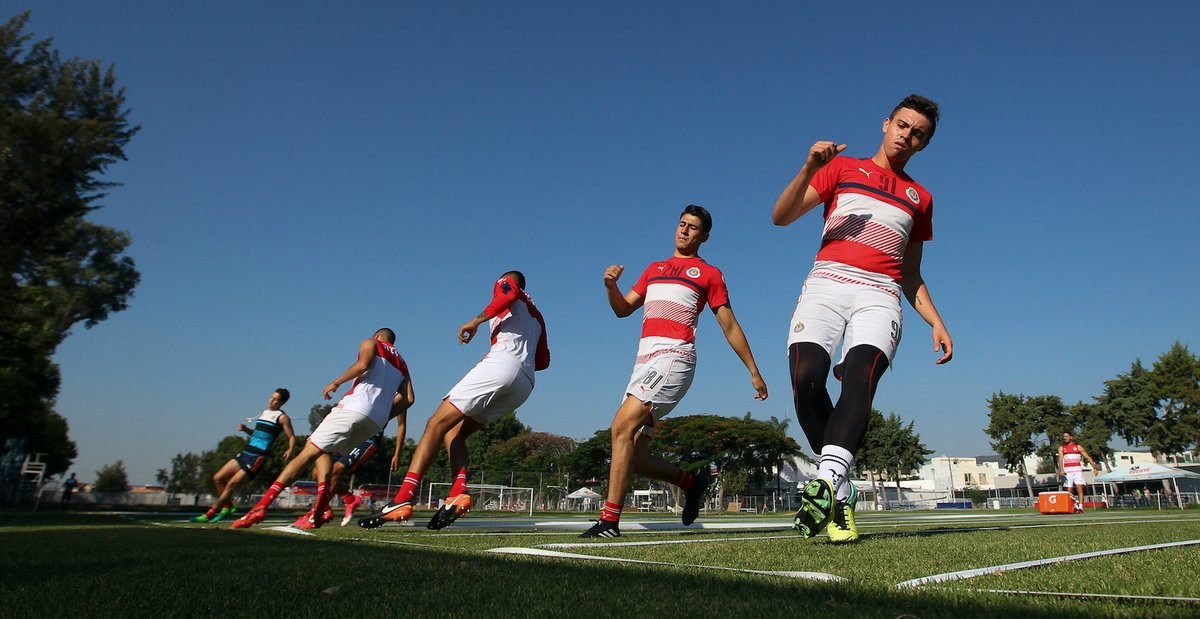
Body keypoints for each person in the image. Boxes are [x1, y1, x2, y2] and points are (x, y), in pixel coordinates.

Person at [771, 94, 953, 543]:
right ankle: (841, 492)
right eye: (903, 125)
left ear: (924, 145)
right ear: (886, 123)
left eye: (918, 134)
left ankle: (827, 481)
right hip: (827, 284)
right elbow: (781, 216)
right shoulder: (842, 168)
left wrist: (936, 320)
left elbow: (910, 274)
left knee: (859, 379)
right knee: (806, 380)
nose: (907, 136)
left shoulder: (920, 198)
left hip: (881, 295)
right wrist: (810, 167)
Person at [580, 205, 768, 538]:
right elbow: (623, 310)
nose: (684, 231)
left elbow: (728, 324)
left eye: (693, 228)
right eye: (682, 224)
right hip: (643, 365)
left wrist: (753, 370)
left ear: (704, 236)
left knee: (620, 427)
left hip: (673, 360)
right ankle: (692, 482)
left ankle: (609, 521)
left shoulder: (709, 274)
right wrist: (611, 286)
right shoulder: (654, 269)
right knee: (634, 456)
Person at [359, 271, 549, 530]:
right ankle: (458, 491)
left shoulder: (506, 284)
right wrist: (516, 363)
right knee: (453, 433)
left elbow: (509, 292)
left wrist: (476, 321)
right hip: (524, 384)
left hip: (501, 366)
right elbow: (544, 361)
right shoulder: (537, 316)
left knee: (435, 423)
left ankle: (402, 498)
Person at [232, 328, 413, 529]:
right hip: (375, 423)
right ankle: (321, 509)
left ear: (377, 336)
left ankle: (261, 506)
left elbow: (363, 364)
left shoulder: (372, 343)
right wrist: (383, 415)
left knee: (306, 454)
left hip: (354, 408)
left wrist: (335, 383)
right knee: (323, 454)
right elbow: (409, 399)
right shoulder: (403, 364)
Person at [190, 389, 296, 523]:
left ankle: (209, 513)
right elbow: (257, 434)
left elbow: (291, 436)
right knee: (218, 478)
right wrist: (246, 429)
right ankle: (228, 506)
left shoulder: (282, 417)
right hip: (246, 452)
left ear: (282, 402)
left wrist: (290, 449)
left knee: (231, 484)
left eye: (275, 399)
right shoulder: (264, 413)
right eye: (271, 397)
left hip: (257, 457)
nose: (271, 401)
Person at [292, 416, 407, 528]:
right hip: (348, 436)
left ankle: (316, 512)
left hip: (367, 440)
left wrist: (397, 454)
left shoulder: (398, 396)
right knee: (317, 472)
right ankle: (349, 498)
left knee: (336, 470)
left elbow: (401, 424)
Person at [1058, 431, 1100, 512]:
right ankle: (1072, 506)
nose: (1065, 438)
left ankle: (1080, 506)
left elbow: (1088, 457)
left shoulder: (1078, 447)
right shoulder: (1062, 448)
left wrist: (1094, 467)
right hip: (1068, 471)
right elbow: (1060, 459)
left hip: (1077, 470)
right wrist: (1061, 470)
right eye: (1064, 436)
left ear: (1071, 437)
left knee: (1079, 488)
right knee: (1069, 490)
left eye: (1066, 436)